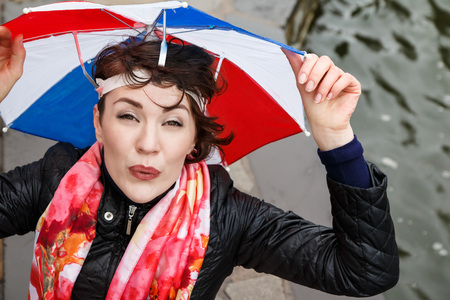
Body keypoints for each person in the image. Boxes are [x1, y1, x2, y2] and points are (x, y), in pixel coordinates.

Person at [0, 25, 399, 299]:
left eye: (173, 122)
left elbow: (364, 270)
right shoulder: (57, 176)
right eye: (128, 115)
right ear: (99, 124)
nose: (148, 144)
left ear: (194, 140)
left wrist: (335, 136)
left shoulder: (226, 217)